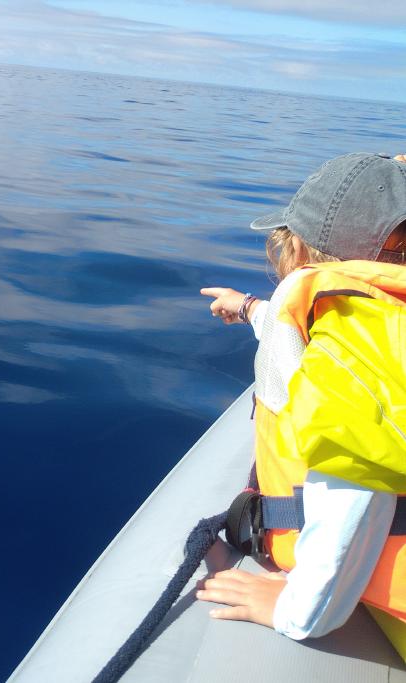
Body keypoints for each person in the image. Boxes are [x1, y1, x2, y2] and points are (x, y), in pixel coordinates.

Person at [196, 152, 406, 658]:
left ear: (304, 251)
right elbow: (311, 337)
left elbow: (355, 497)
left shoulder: (356, 346)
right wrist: (248, 308)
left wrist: (299, 611)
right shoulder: (376, 318)